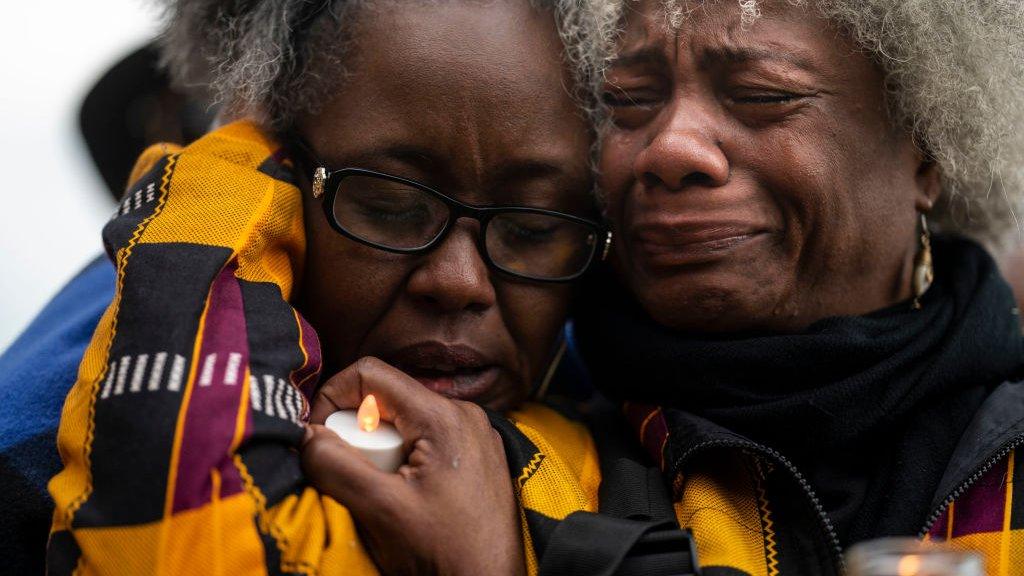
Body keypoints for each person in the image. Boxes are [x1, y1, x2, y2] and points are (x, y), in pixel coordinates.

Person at [46, 1, 636, 574]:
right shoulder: (59, 414)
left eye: (532, 228)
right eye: (389, 204)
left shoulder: (658, 466)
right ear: (279, 172)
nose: (459, 283)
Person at [568, 0, 1024, 573]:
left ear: (926, 152)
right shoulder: (514, 470)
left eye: (762, 94)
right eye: (628, 98)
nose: (670, 148)